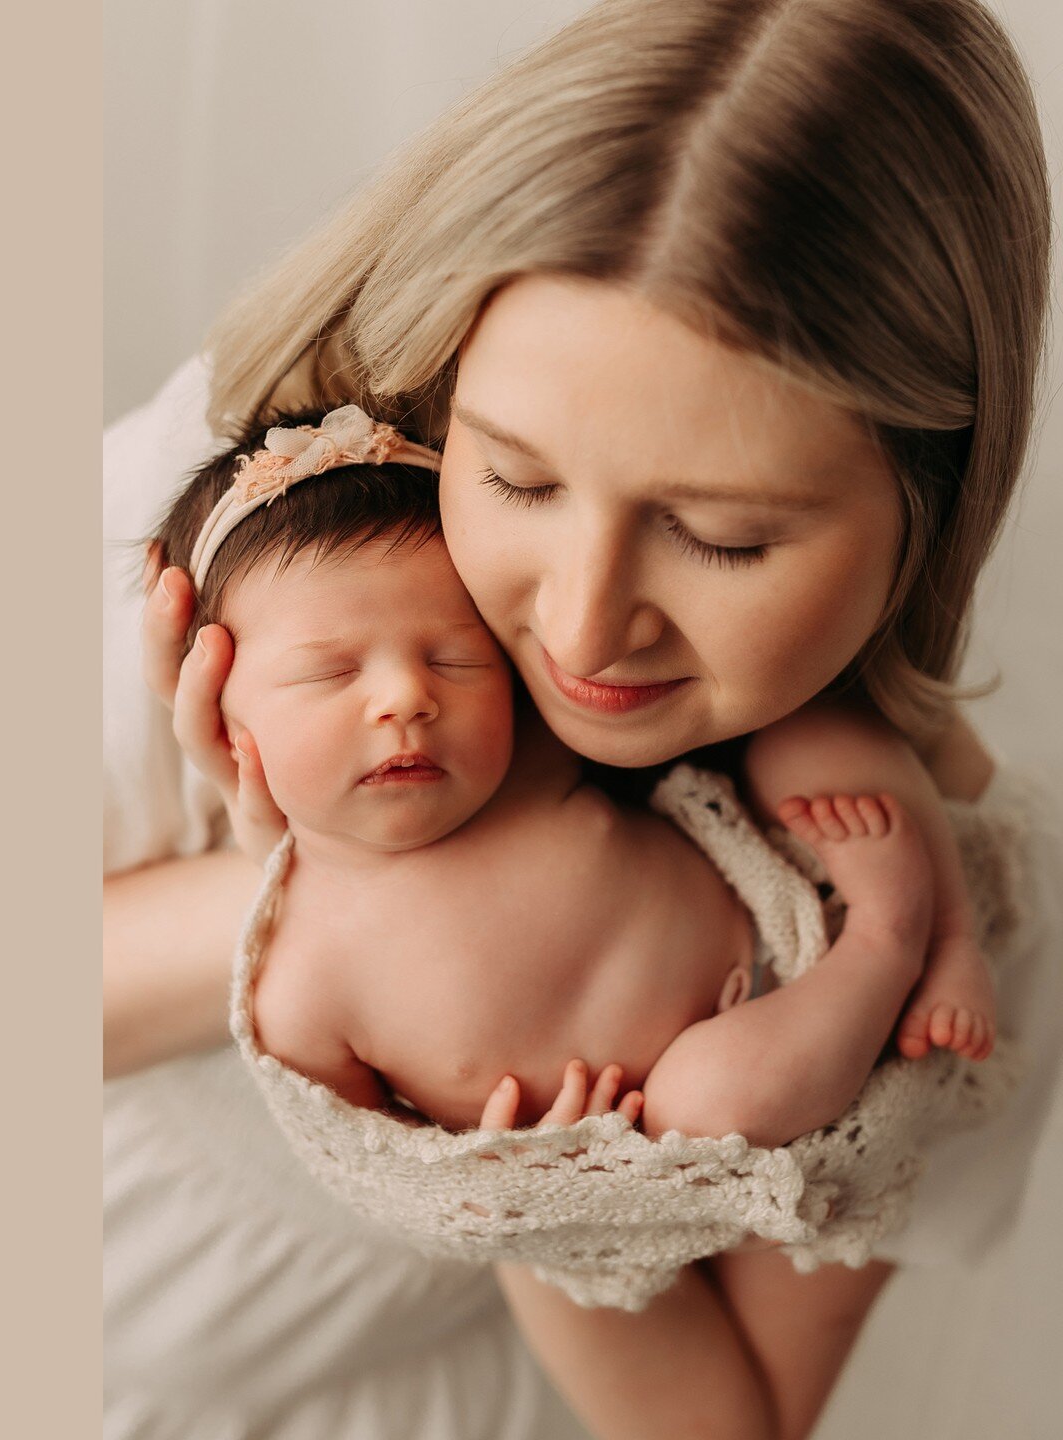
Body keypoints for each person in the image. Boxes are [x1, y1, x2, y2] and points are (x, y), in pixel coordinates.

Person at [104, 3, 1062, 1437]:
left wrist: (554, 1194)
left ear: (925, 523)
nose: (581, 624)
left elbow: (721, 1424)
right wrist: (314, 881)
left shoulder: (930, 904)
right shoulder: (267, 556)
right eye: (517, 481)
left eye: (724, 538)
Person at [151, 403, 990, 1150]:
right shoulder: (297, 985)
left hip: (780, 910)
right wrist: (507, 1173)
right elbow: (374, 1159)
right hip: (698, 1114)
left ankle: (947, 934)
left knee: (806, 729)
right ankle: (889, 938)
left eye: (454, 657)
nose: (407, 698)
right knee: (705, 1101)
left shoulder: (529, 758)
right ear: (218, 703)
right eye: (330, 674)